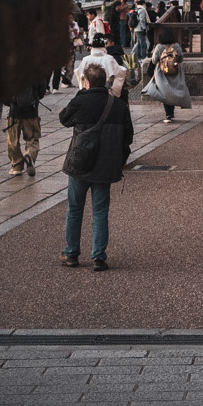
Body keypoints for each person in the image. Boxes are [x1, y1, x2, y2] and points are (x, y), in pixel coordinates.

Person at [58, 63, 132, 270]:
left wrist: (81, 95)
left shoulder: (82, 101)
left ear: (87, 82)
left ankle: (71, 253)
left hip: (80, 163)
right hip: (106, 165)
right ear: (105, 81)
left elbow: (63, 119)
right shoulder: (117, 105)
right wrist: (120, 160)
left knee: (74, 209)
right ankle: (98, 256)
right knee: (100, 210)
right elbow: (128, 137)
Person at [141, 28, 192, 121]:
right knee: (172, 91)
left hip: (162, 72)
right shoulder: (176, 46)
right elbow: (181, 58)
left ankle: (168, 114)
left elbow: (154, 60)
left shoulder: (159, 47)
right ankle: (171, 112)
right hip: (175, 71)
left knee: (165, 92)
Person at [7, 83, 46, 176]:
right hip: (31, 111)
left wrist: (10, 101)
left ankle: (16, 166)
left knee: (13, 140)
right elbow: (42, 88)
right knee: (32, 138)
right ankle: (30, 155)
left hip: (14, 111)